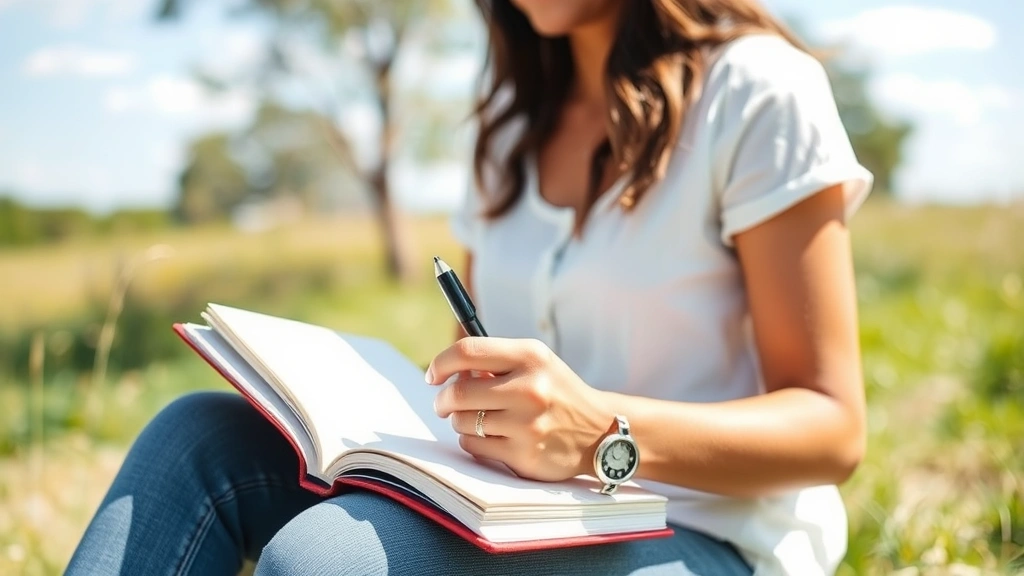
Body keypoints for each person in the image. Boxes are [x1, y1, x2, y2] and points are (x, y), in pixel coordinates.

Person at [67, 0, 873, 574]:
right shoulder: (511, 132)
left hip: (703, 535)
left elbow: (832, 430)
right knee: (196, 436)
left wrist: (598, 434)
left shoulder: (759, 92)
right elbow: (480, 350)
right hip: (515, 510)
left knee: (329, 558)